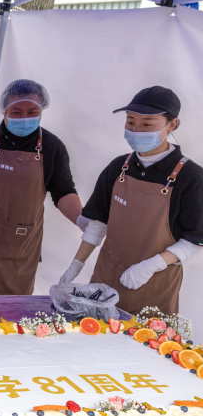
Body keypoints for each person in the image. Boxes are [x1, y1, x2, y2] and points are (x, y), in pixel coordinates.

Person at [60, 86, 203, 315]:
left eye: (147, 124)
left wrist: (151, 266)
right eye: (130, 122)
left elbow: (195, 239)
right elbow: (97, 224)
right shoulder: (118, 167)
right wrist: (76, 265)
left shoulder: (190, 176)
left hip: (152, 285)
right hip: (105, 279)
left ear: (172, 125)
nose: (136, 130)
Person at [0, 80, 82, 295]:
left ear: (42, 111)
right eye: (16, 112)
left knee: (13, 311)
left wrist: (82, 220)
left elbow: (63, 192)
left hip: (21, 246)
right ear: (4, 111)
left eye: (32, 112)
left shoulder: (52, 147)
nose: (24, 118)